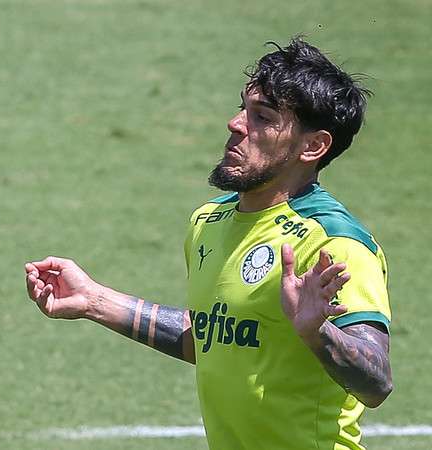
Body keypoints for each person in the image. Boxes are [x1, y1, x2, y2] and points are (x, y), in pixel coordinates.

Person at [24, 37, 392, 450]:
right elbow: (216, 338)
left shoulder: (335, 243)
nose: (236, 124)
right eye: (243, 108)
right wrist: (94, 300)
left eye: (262, 117)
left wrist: (317, 332)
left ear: (313, 146)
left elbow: (376, 382)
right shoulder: (209, 221)